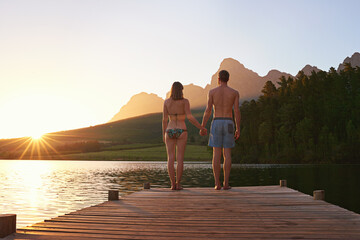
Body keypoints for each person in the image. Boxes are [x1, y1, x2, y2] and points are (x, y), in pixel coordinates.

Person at [200, 70, 241, 190]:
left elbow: (208, 110)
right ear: (228, 79)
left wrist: (203, 125)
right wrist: (238, 128)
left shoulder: (212, 92)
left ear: (218, 79)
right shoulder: (234, 93)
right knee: (227, 154)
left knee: (216, 154)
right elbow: (237, 111)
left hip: (217, 121)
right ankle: (226, 183)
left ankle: (217, 184)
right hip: (228, 122)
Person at [163, 82, 207, 190]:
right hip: (182, 130)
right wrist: (201, 127)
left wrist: (164, 133)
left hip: (169, 130)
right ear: (181, 90)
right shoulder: (185, 102)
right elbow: (190, 117)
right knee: (180, 159)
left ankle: (172, 184)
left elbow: (164, 119)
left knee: (170, 158)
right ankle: (178, 184)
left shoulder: (166, 102)